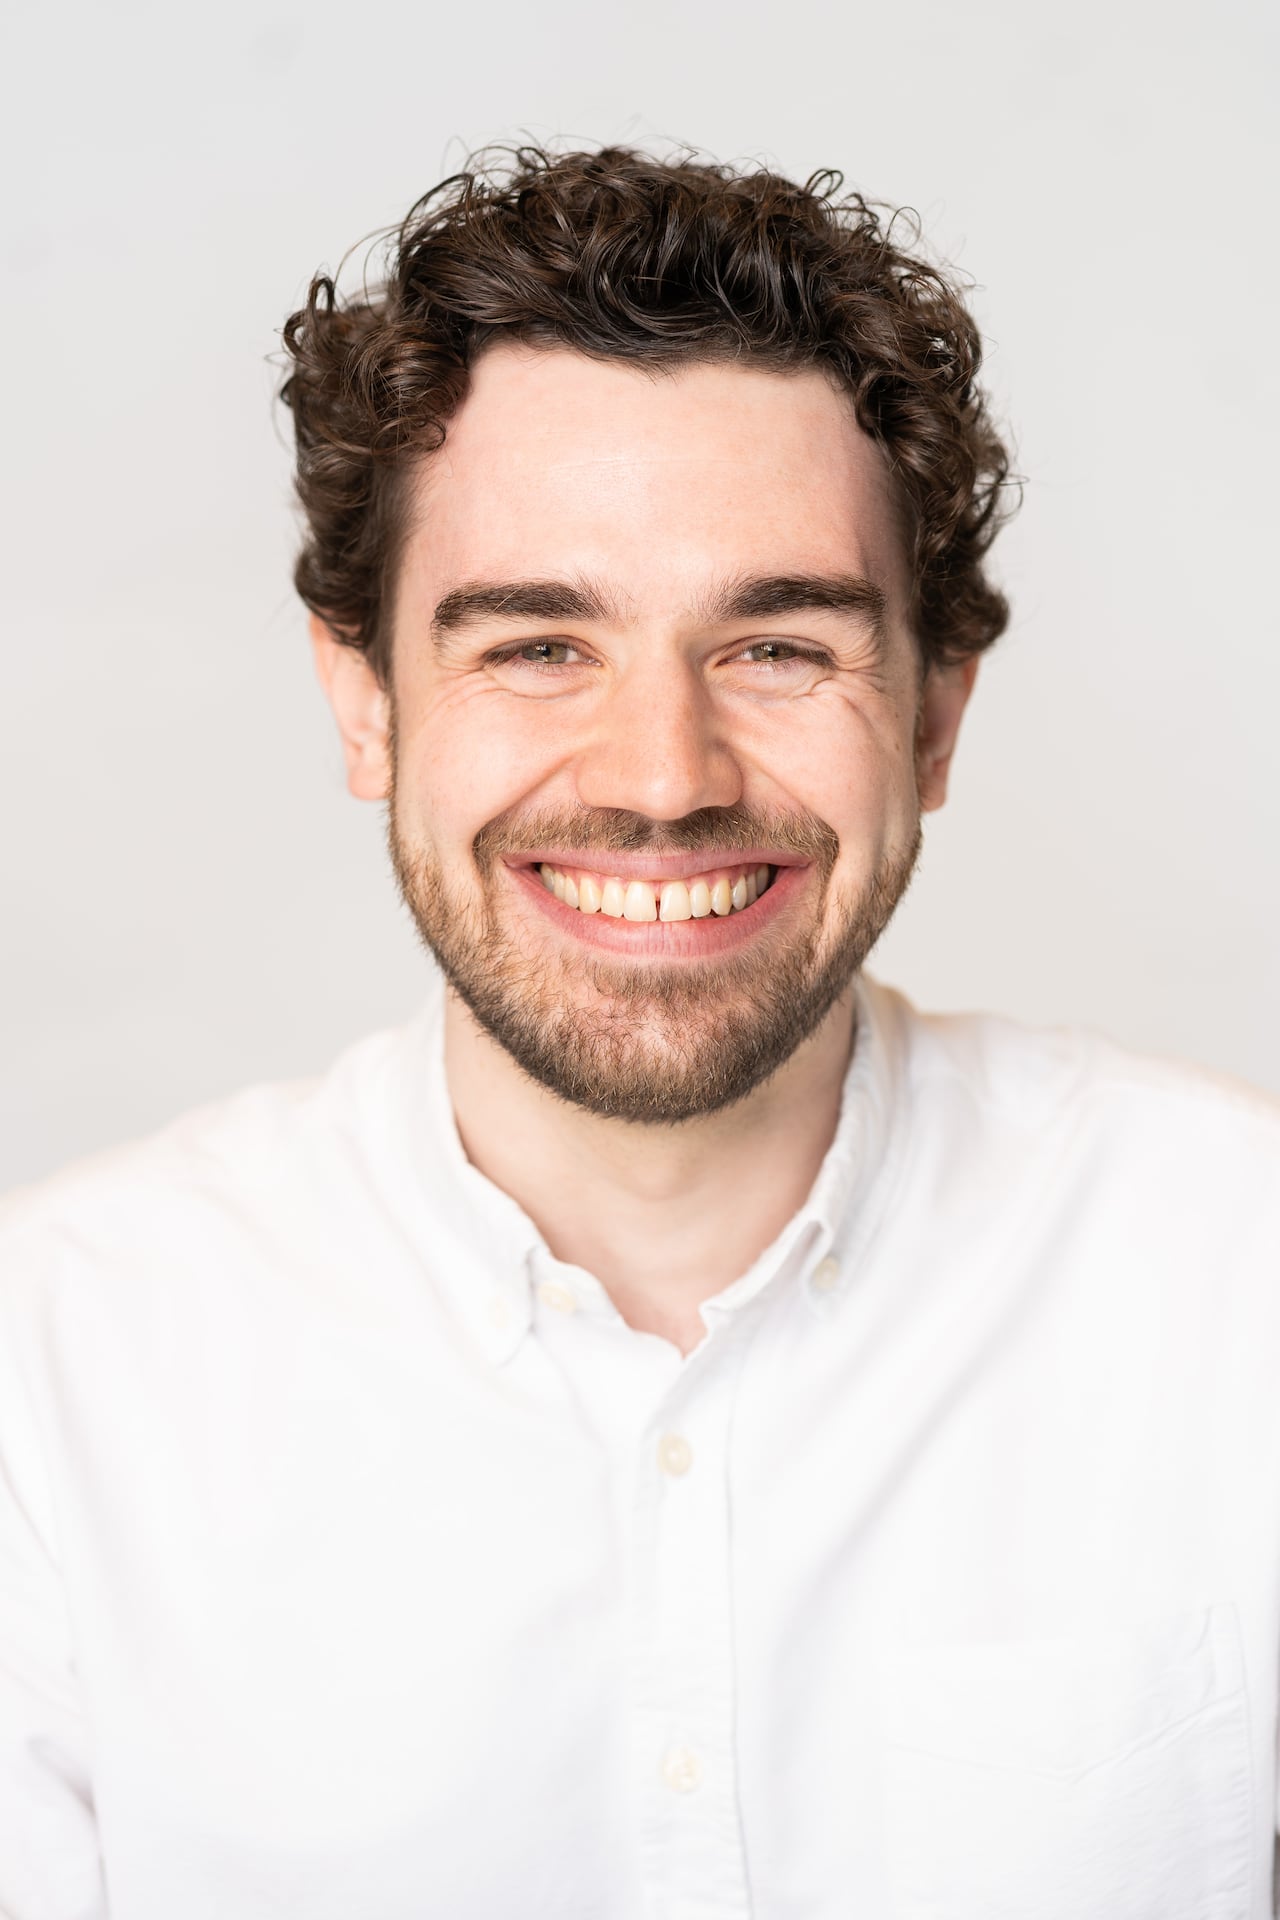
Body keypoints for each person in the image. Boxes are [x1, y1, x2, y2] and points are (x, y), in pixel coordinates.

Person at [1, 144, 1277, 1920]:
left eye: (777, 646)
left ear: (933, 721)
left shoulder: (1244, 1281)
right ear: (363, 706)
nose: (664, 780)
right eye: (535, 646)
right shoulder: (53, 1381)